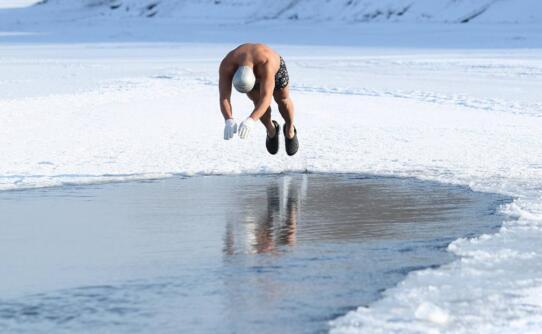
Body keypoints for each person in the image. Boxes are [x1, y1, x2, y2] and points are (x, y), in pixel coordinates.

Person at [219, 43, 299, 156]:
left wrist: (251, 120)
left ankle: (290, 129)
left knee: (282, 99)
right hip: (252, 72)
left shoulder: (266, 64)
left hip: (274, 68)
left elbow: (266, 98)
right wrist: (228, 119)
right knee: (257, 102)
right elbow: (224, 97)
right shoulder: (227, 65)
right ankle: (271, 130)